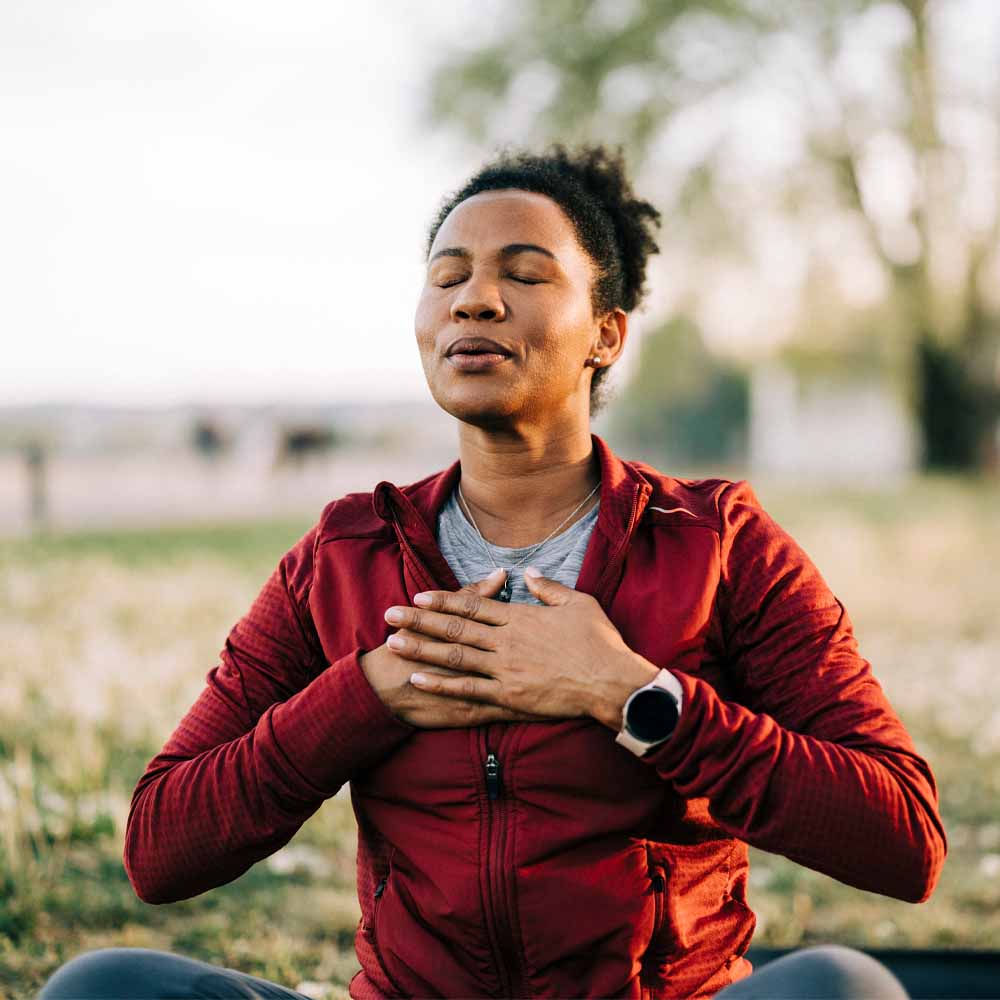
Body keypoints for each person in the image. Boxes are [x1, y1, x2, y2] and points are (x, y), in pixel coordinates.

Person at [40, 145, 943, 1000]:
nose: (474, 300)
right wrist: (363, 699)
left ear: (606, 334)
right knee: (103, 988)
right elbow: (159, 851)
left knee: (841, 987)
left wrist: (632, 695)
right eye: (448, 277)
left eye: (523, 273)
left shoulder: (718, 543)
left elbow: (904, 840)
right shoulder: (345, 555)